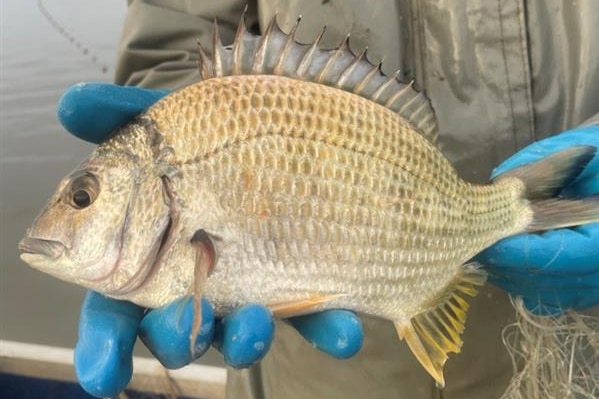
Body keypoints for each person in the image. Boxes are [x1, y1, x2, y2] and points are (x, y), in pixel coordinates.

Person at [58, 1, 599, 398]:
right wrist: (180, 90)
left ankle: (527, 207)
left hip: (565, 348)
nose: (71, 212)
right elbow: (175, 31)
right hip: (310, 373)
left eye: (84, 197)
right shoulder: (173, 152)